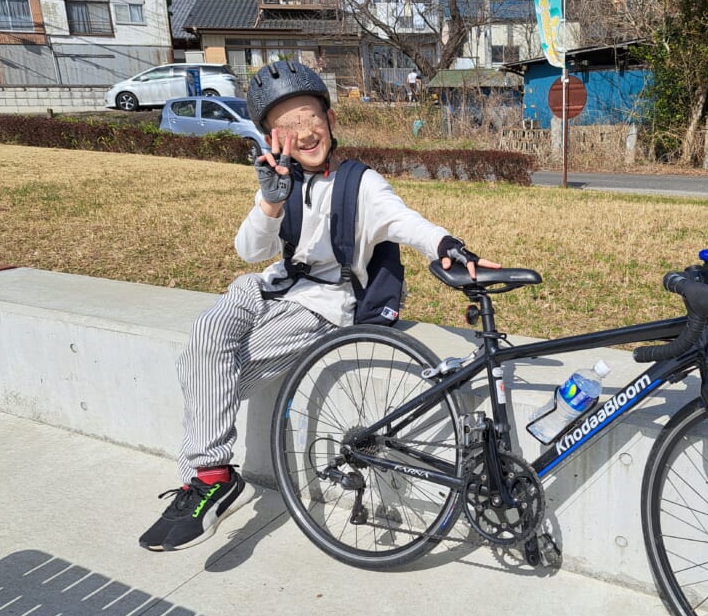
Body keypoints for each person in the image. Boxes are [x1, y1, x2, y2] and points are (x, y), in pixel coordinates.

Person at [139, 60, 499, 552]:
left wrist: (450, 247)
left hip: (322, 304)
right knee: (206, 336)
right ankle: (211, 478)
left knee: (215, 374)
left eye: (311, 118)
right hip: (267, 287)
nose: (305, 134)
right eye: (287, 127)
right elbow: (250, 251)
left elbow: (406, 221)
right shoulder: (281, 180)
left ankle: (206, 478)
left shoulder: (360, 183)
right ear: (271, 139)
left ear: (330, 120)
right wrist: (270, 202)